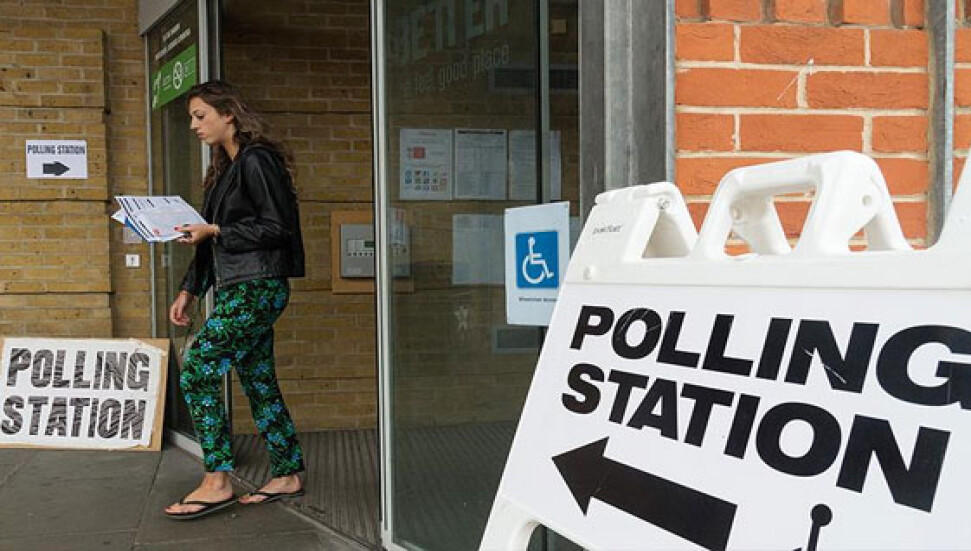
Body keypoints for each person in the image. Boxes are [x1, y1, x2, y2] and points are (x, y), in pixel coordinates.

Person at [163, 80, 307, 520]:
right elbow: (209, 244)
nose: (193, 125)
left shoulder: (256, 161)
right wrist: (190, 289)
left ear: (229, 115)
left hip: (257, 287)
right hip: (237, 287)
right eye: (191, 117)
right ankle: (287, 472)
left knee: (199, 370)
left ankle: (216, 479)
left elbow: (278, 227)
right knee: (259, 381)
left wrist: (218, 231)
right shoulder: (224, 173)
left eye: (200, 116)